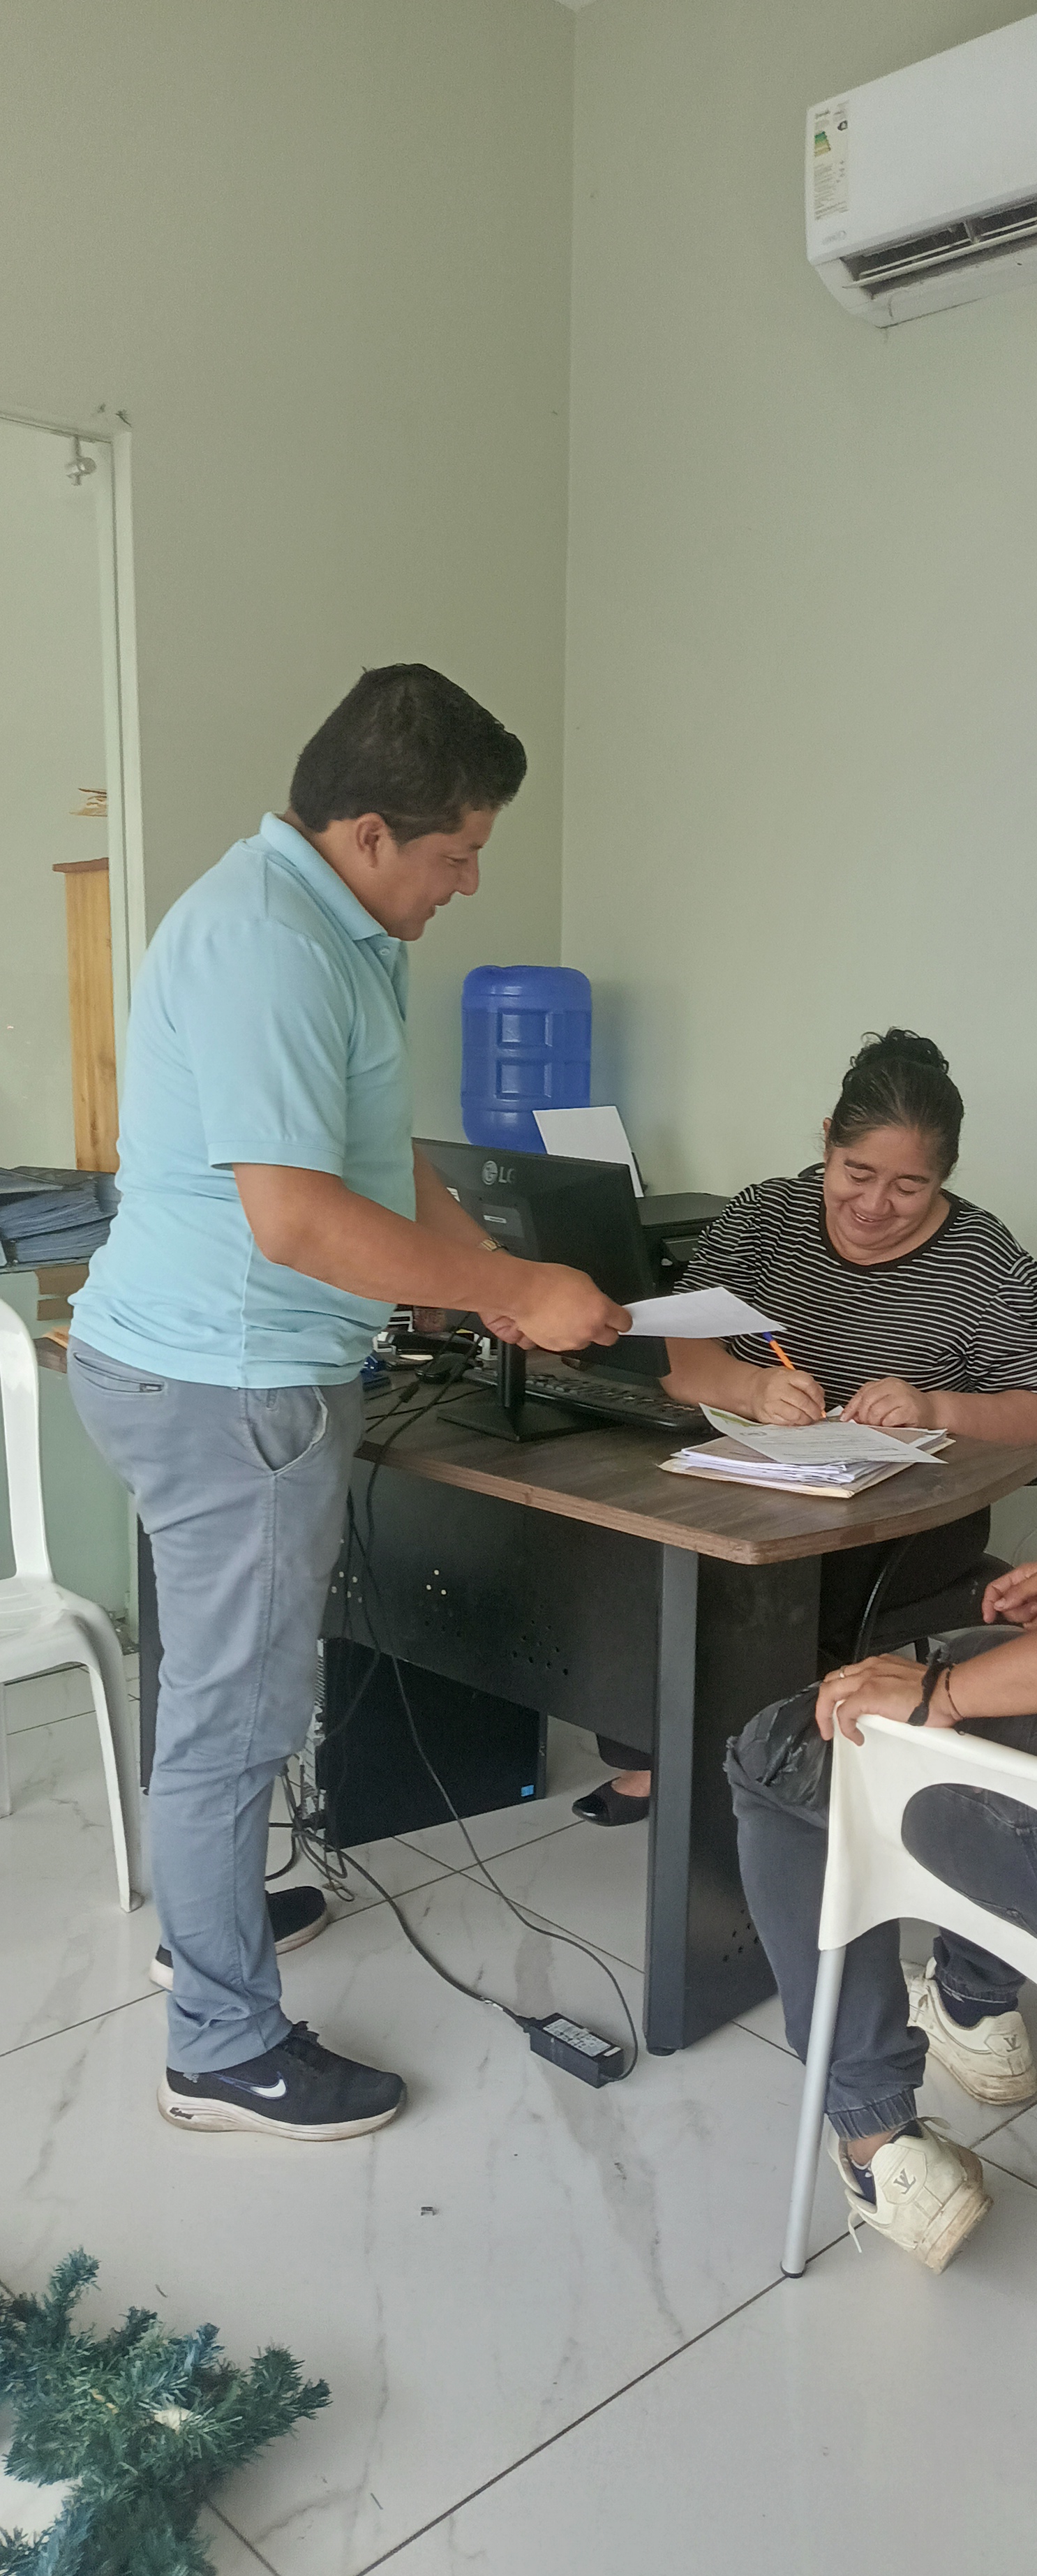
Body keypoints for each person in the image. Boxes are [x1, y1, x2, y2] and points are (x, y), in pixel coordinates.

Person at [69, 664, 629, 2144]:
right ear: (371, 832)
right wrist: (511, 1291)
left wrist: (488, 1272)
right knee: (234, 1717)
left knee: (218, 1691)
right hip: (230, 1382)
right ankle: (221, 2046)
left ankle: (211, 1924)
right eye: (458, 852)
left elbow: (378, 1162)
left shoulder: (326, 926)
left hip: (196, 1363)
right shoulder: (273, 946)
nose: (468, 882)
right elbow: (299, 1222)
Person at [729, 1301, 1037, 2272]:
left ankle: (875, 2141)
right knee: (985, 1656)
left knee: (794, 1745)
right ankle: (974, 2009)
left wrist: (938, 1698)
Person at [574, 1029, 1037, 1826]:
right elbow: (679, 1353)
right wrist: (751, 1385)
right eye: (856, 1174)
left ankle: (749, 1778)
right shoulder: (767, 1215)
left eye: (910, 1187)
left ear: (945, 1176)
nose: (874, 1206)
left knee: (756, 1591)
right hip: (743, 1473)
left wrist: (933, 1407)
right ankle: (663, 1750)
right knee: (631, 1546)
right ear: (827, 1143)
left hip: (904, 1513)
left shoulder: (987, 1263)